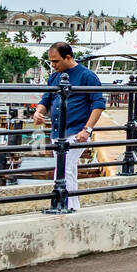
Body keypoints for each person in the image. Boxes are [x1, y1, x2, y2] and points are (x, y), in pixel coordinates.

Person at [31, 42, 107, 211]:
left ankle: (65, 206)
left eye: (56, 61)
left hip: (76, 131)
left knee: (63, 170)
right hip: (58, 132)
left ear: (68, 57)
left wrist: (87, 130)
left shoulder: (87, 76)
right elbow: (46, 100)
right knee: (67, 170)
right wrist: (39, 112)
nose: (53, 65)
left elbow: (98, 104)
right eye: (51, 61)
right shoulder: (54, 76)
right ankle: (72, 206)